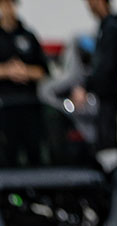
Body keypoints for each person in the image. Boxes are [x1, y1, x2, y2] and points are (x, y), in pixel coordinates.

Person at [70, 0, 117, 151]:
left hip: (109, 103)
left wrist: (86, 86)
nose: (89, 6)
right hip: (106, 102)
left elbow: (106, 69)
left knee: (108, 149)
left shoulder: (111, 30)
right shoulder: (106, 28)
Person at [0, 0, 48, 166]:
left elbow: (43, 71)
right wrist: (7, 71)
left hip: (29, 107)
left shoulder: (28, 36)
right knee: (8, 155)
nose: (8, 8)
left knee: (34, 153)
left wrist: (25, 71)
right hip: (5, 109)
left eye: (11, 4)